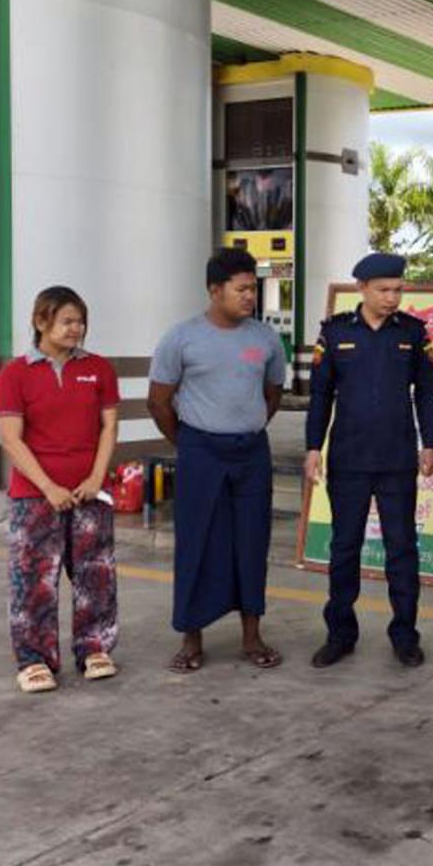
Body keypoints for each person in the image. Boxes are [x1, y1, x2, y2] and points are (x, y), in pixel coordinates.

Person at [148, 248, 289, 673]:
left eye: (253, 289)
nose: (250, 296)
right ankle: (191, 639)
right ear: (214, 290)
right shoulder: (181, 338)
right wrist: (191, 442)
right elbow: (158, 402)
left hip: (251, 453)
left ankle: (252, 636)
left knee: (252, 541)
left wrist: (247, 426)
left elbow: (273, 394)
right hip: (200, 452)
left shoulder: (265, 338)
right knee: (197, 541)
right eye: (241, 289)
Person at [304, 253, 433, 670]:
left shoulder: (413, 333)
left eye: (398, 290)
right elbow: (321, 395)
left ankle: (405, 636)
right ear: (361, 288)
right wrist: (313, 447)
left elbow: (426, 393)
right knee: (344, 548)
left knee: (402, 550)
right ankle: (340, 634)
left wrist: (430, 443)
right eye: (383, 290)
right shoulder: (336, 333)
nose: (392, 298)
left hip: (397, 459)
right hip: (349, 458)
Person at [0, 287, 120, 693]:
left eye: (80, 321)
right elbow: (11, 439)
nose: (75, 328)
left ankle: (94, 647)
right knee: (34, 578)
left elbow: (109, 427)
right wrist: (48, 486)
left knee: (95, 574)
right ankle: (34, 659)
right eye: (66, 321)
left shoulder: (99, 369)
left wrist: (96, 478)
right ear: (40, 321)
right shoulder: (15, 374)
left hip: (89, 493)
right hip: (35, 496)